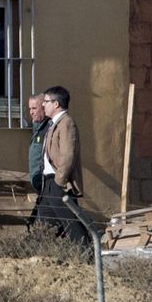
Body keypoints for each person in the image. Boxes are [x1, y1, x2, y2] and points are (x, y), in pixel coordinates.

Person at [34, 85, 87, 243]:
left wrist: (59, 180)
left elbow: (67, 155)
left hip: (59, 183)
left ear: (56, 104)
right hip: (48, 182)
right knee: (42, 226)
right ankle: (40, 258)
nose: (43, 104)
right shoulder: (53, 123)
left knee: (72, 225)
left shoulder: (66, 123)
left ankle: (89, 258)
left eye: (46, 101)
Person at [25, 93, 50, 227]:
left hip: (46, 182)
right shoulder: (38, 127)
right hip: (38, 183)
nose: (31, 112)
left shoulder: (49, 127)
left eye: (34, 108)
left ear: (43, 107)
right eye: (29, 109)